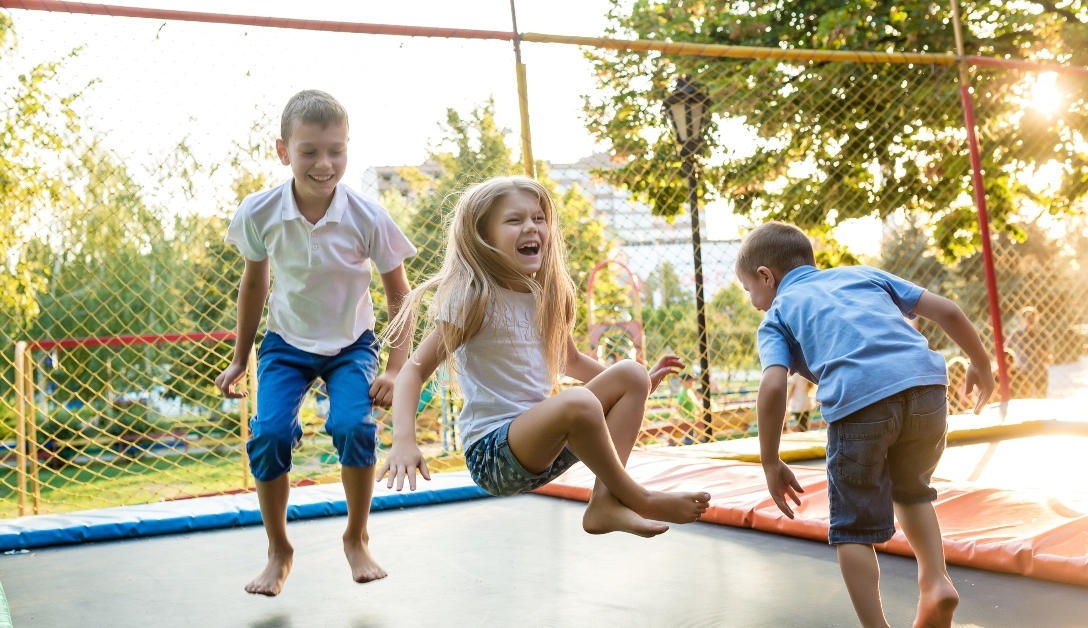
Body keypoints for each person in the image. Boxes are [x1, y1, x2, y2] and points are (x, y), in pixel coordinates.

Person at [379, 176, 711, 537]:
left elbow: (572, 362)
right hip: (494, 454)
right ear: (483, 236)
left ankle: (604, 504)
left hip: (548, 446)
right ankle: (638, 497)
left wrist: (641, 384)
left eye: (538, 218)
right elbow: (413, 371)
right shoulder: (472, 296)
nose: (531, 227)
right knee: (578, 402)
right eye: (514, 220)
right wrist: (404, 441)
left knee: (630, 373)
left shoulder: (548, 296)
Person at [736, 222, 993, 628]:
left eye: (749, 290)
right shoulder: (861, 274)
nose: (754, 302)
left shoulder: (778, 315)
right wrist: (981, 363)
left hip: (860, 403)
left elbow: (771, 387)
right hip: (927, 387)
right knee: (913, 491)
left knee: (852, 528)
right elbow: (946, 309)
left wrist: (770, 460)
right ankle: (935, 581)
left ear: (766, 276)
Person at [215, 90, 416, 596]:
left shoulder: (368, 216)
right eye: (310, 151)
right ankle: (279, 550)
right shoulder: (260, 212)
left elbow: (401, 297)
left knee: (353, 425)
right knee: (269, 436)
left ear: (348, 149)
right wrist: (241, 358)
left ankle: (357, 537)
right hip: (287, 343)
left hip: (353, 343)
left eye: (336, 150)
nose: (325, 164)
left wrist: (395, 368)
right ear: (283, 151)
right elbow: (254, 284)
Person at [1007, 306, 1051, 398]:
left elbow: (1050, 357)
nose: (1031, 320)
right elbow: (1006, 350)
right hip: (1023, 372)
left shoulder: (1043, 335)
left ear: (1037, 318)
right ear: (1022, 319)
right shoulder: (1017, 334)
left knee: (1041, 398)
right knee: (1025, 398)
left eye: (1033, 317)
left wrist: (1043, 354)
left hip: (1040, 371)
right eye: (1028, 317)